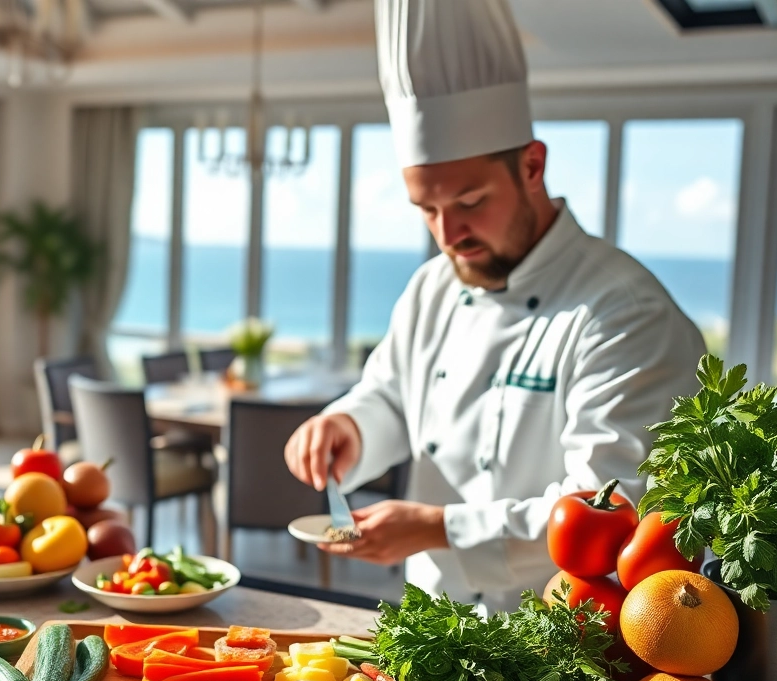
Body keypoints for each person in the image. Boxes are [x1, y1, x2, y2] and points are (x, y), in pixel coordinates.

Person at [284, 0, 706, 613]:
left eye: (471, 201)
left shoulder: (626, 313)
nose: (448, 232)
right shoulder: (433, 285)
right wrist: (348, 426)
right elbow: (394, 399)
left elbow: (611, 510)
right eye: (426, 210)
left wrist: (439, 528)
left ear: (532, 166)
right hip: (434, 623)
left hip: (558, 642)